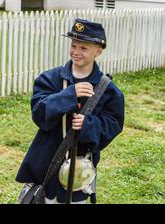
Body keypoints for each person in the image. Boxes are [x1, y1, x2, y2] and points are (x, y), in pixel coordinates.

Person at [16, 18, 125, 204]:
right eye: (74, 45)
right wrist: (68, 95)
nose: (76, 52)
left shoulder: (109, 91)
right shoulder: (49, 79)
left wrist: (88, 125)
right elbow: (39, 113)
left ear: (98, 51)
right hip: (46, 165)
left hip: (79, 173)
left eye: (84, 48)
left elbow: (113, 125)